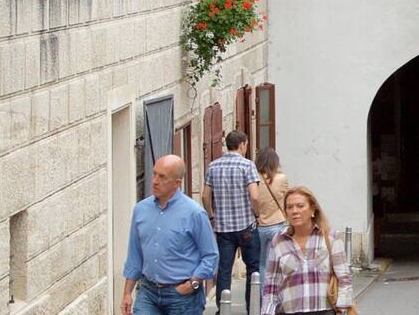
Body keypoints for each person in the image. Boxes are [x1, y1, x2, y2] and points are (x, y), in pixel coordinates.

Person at [122, 155, 219, 315]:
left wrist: (192, 284)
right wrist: (127, 293)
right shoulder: (141, 210)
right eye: (154, 174)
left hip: (183, 297)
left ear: (177, 183)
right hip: (148, 292)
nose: (154, 180)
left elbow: (210, 256)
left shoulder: (194, 213)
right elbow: (135, 255)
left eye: (162, 177)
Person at [260, 187, 355, 315]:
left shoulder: (330, 238)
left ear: (312, 210)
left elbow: (344, 279)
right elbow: (271, 287)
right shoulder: (279, 241)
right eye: (289, 207)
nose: (295, 211)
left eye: (300, 206)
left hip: (324, 310)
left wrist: (342, 310)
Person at [207, 132, 265, 312]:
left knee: (224, 269)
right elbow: (254, 196)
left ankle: (222, 309)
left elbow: (205, 195)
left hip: (223, 229)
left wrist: (212, 216)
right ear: (242, 145)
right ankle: (252, 307)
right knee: (253, 268)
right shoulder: (247, 165)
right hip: (247, 226)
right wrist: (257, 214)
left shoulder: (213, 166)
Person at [252, 148, 292, 286]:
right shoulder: (282, 179)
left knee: (263, 264)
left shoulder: (254, 179)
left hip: (260, 225)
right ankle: (277, 295)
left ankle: (263, 297)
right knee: (279, 264)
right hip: (278, 224)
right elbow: (288, 200)